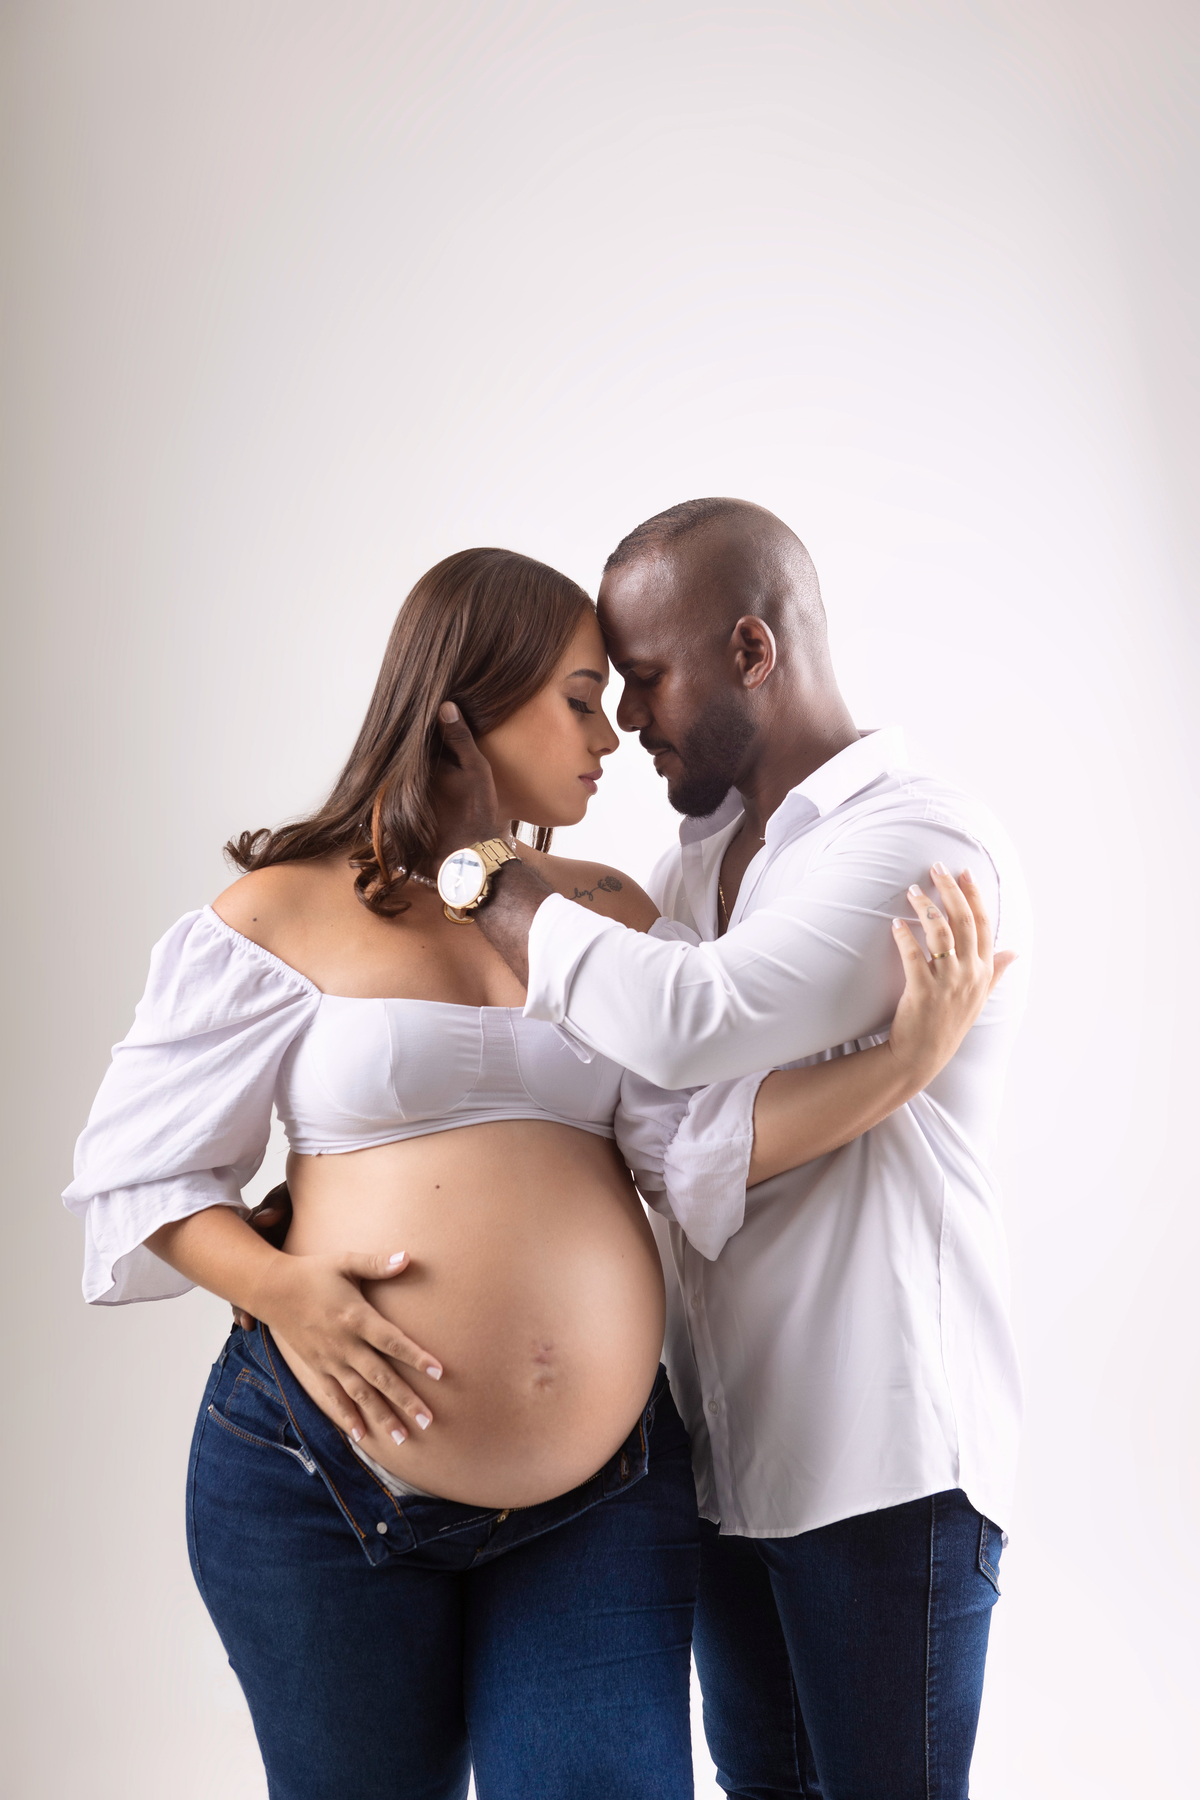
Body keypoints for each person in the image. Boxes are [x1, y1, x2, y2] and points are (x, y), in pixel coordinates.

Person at [64, 546, 1006, 1800]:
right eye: (577, 696)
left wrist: (909, 1061)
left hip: (597, 1501)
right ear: (463, 707)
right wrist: (290, 1291)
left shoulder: (605, 910)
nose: (614, 735)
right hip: (320, 1481)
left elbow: (701, 1143)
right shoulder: (284, 910)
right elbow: (142, 1169)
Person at [431, 502, 1031, 1800]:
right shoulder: (694, 871)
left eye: (644, 679)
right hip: (727, 1458)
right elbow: (668, 1144)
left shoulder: (919, 842)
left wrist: (488, 873)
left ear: (753, 650)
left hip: (884, 1467)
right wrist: (889, 1073)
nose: (626, 720)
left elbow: (684, 1028)